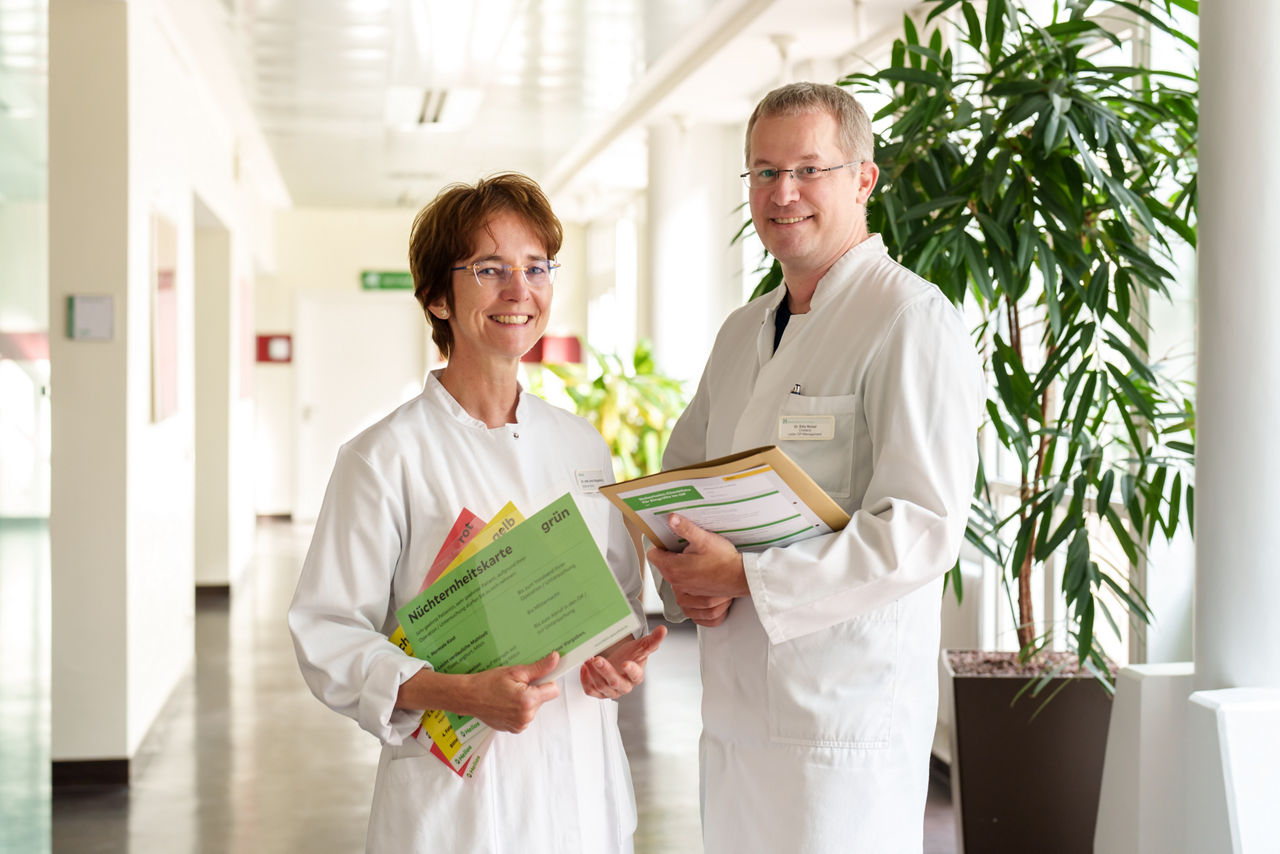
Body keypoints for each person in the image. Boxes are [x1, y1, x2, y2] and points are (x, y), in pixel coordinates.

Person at [647, 82, 984, 853]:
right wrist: (684, 573)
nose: (782, 193)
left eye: (808, 169)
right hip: (735, 718)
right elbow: (681, 476)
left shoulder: (909, 319)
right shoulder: (741, 331)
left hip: (843, 722)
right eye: (763, 173)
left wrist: (746, 578)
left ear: (863, 179)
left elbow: (921, 530)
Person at [288, 172, 666, 854]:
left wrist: (616, 656)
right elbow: (328, 635)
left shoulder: (582, 444)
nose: (519, 291)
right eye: (490, 269)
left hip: (583, 793)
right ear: (437, 295)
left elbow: (617, 597)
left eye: (536, 267)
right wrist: (460, 693)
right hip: (456, 810)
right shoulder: (383, 457)